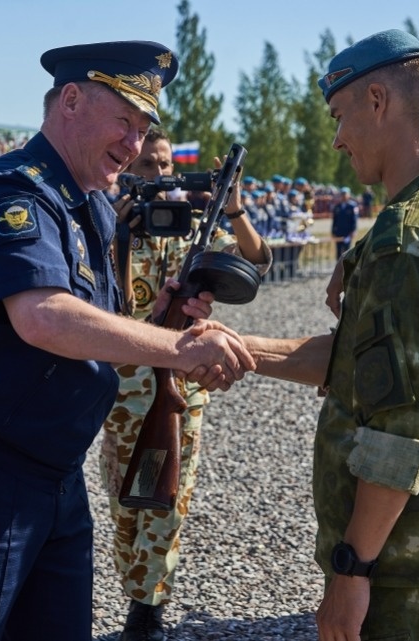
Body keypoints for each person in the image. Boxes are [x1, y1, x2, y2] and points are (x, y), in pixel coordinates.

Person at [0, 41, 255, 641]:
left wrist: (163, 315)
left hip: (55, 474)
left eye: (144, 130)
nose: (134, 145)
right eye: (124, 122)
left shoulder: (91, 206)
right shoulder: (13, 191)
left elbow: (93, 318)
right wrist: (178, 351)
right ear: (69, 101)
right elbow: (43, 317)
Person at [237, 29, 419, 641]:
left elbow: (400, 431)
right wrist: (242, 349)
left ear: (377, 100)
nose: (335, 139)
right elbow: (374, 364)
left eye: (338, 116)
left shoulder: (406, 239)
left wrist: (351, 571)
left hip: (396, 566)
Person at [101, 128, 271, 641]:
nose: (157, 175)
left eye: (164, 165)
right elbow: (93, 306)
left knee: (167, 498)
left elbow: (256, 261)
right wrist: (116, 231)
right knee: (124, 500)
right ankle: (137, 587)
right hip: (121, 393)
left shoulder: (193, 226)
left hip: (179, 389)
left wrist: (235, 208)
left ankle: (147, 607)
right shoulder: (108, 225)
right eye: (147, 167)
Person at [330, 185, 358, 259]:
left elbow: (354, 220)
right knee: (338, 251)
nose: (343, 196)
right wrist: (333, 231)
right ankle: (339, 268)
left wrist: (353, 230)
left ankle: (346, 268)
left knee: (347, 251)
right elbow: (334, 220)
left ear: (349, 195)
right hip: (339, 232)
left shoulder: (352, 206)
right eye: (342, 194)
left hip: (347, 232)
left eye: (345, 194)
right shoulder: (337, 207)